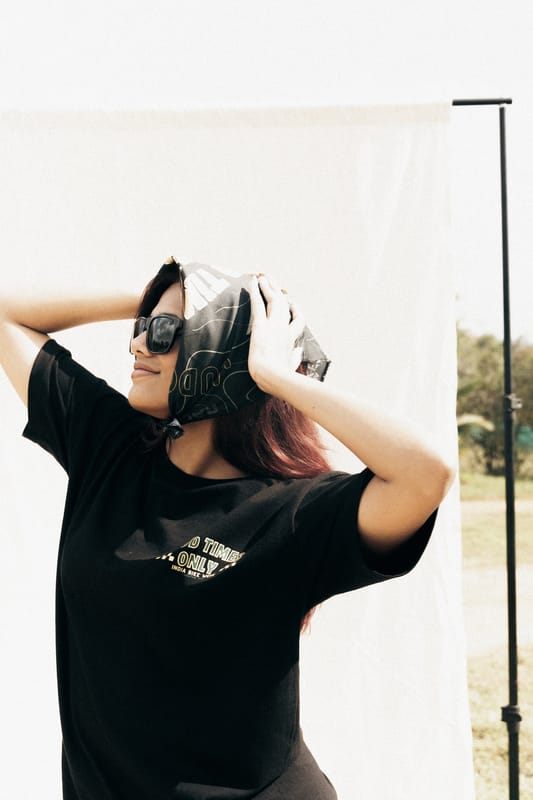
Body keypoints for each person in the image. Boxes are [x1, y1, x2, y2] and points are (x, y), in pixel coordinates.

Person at [0, 258, 455, 800]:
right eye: (143, 326)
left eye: (165, 331)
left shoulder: (294, 512)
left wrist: (278, 378)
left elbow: (426, 473)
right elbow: (6, 313)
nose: (139, 344)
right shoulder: (110, 449)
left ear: (225, 350)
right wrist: (168, 294)